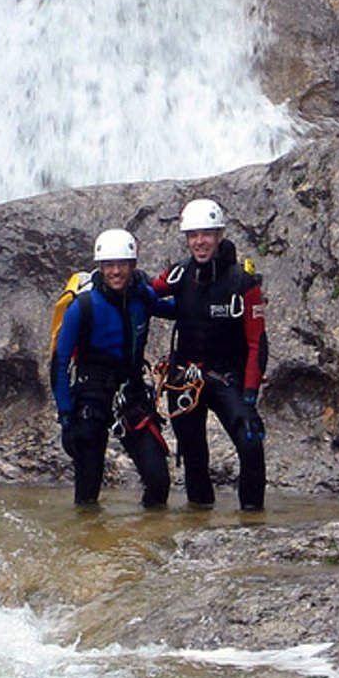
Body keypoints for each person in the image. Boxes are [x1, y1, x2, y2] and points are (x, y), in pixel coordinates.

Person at [149, 198, 268, 511]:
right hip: (185, 378)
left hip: (227, 378)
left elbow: (258, 342)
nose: (199, 242)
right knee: (193, 453)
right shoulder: (178, 275)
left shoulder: (243, 282)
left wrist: (250, 395)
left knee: (251, 443)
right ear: (187, 239)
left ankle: (253, 521)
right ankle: (199, 519)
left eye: (206, 234)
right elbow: (144, 294)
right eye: (193, 236)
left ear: (220, 235)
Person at [51, 228, 174, 508]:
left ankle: (148, 543)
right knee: (87, 492)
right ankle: (89, 547)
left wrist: (205, 293)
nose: (115, 271)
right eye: (109, 265)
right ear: (100, 267)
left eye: (122, 264)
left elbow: (175, 309)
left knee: (158, 481)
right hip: (91, 398)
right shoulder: (82, 307)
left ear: (133, 265)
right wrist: (66, 419)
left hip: (130, 395)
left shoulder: (142, 296)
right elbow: (58, 364)